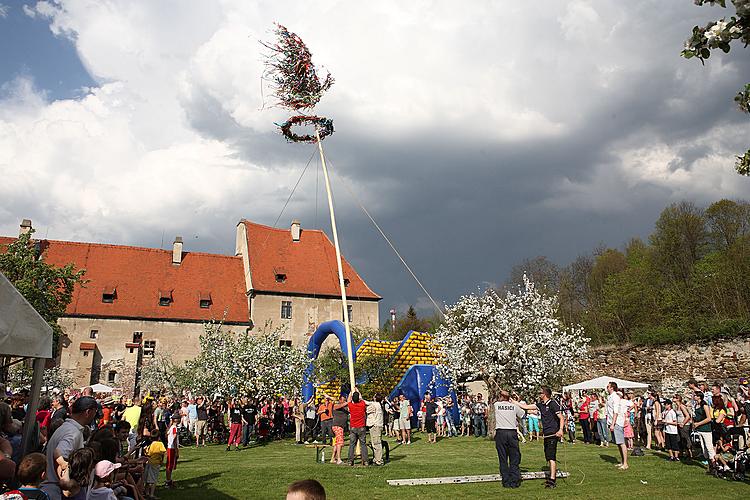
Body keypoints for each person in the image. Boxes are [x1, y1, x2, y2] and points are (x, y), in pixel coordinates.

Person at [40, 396, 98, 500]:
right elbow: (60, 454)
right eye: (95, 412)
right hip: (57, 491)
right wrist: (67, 484)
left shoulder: (69, 428)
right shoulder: (72, 432)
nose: (95, 416)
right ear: (88, 412)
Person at [517, 387, 564, 489]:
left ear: (545, 394)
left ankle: (552, 480)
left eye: (540, 393)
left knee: (551, 457)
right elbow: (525, 407)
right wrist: (513, 402)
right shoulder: (541, 405)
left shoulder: (553, 404)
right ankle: (550, 476)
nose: (539, 394)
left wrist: (560, 429)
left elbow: (561, 417)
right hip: (546, 433)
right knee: (547, 455)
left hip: (553, 433)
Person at [494, 390, 525, 489]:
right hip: (512, 433)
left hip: (501, 433)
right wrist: (514, 403)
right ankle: (515, 480)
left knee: (503, 458)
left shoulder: (496, 405)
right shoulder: (514, 406)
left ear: (501, 397)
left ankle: (506, 481)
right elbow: (523, 414)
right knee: (514, 457)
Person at [607, 382, 628, 470]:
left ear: (612, 388)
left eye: (608, 386)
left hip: (617, 423)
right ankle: (622, 462)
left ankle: (625, 463)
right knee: (618, 443)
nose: (606, 388)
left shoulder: (615, 397)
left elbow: (616, 411)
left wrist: (613, 424)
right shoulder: (610, 397)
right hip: (613, 422)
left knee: (621, 443)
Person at [347, 387, 368, 467]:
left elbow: (348, 400)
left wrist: (351, 392)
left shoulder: (351, 405)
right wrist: (357, 391)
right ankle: (365, 461)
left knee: (352, 444)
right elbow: (361, 398)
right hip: (362, 427)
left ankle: (350, 461)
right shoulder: (362, 404)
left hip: (353, 427)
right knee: (363, 444)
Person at [144, 428, 166, 498]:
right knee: (154, 479)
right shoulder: (160, 444)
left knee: (147, 478)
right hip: (156, 463)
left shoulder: (151, 444)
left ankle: (146, 492)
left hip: (149, 462)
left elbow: (147, 453)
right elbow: (163, 452)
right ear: (159, 437)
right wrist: (162, 459)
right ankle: (151, 494)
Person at [366, 394, 384, 466]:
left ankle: (379, 460)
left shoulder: (375, 404)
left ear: (375, 398)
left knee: (377, 443)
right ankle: (376, 459)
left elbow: (364, 402)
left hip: (375, 426)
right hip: (377, 426)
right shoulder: (378, 404)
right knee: (374, 443)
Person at [330, 396, 348, 465]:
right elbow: (344, 404)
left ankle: (332, 458)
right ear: (340, 400)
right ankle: (339, 459)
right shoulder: (336, 406)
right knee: (340, 443)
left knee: (337, 443)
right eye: (343, 400)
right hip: (337, 426)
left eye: (345, 400)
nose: (344, 402)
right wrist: (347, 402)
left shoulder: (344, 408)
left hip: (340, 427)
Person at [165, 414, 179, 488]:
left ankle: (168, 480)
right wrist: (176, 449)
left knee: (169, 465)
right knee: (170, 465)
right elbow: (174, 438)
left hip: (169, 447)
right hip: (172, 448)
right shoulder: (174, 428)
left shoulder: (170, 427)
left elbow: (167, 436)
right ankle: (168, 481)